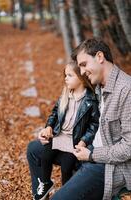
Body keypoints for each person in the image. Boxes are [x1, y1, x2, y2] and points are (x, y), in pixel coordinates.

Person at [51, 39, 131, 200]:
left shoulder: (126, 90)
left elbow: (128, 148)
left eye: (83, 64)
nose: (81, 71)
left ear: (100, 57)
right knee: (39, 151)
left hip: (111, 167)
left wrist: (92, 155)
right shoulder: (100, 86)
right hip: (90, 154)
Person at [27, 60, 100, 200]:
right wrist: (48, 127)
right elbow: (54, 113)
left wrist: (84, 141)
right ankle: (46, 183)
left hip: (74, 141)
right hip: (59, 136)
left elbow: (94, 124)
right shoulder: (66, 95)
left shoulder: (90, 100)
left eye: (69, 75)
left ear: (81, 78)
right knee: (45, 156)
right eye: (65, 75)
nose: (65, 78)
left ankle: (66, 193)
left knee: (67, 168)